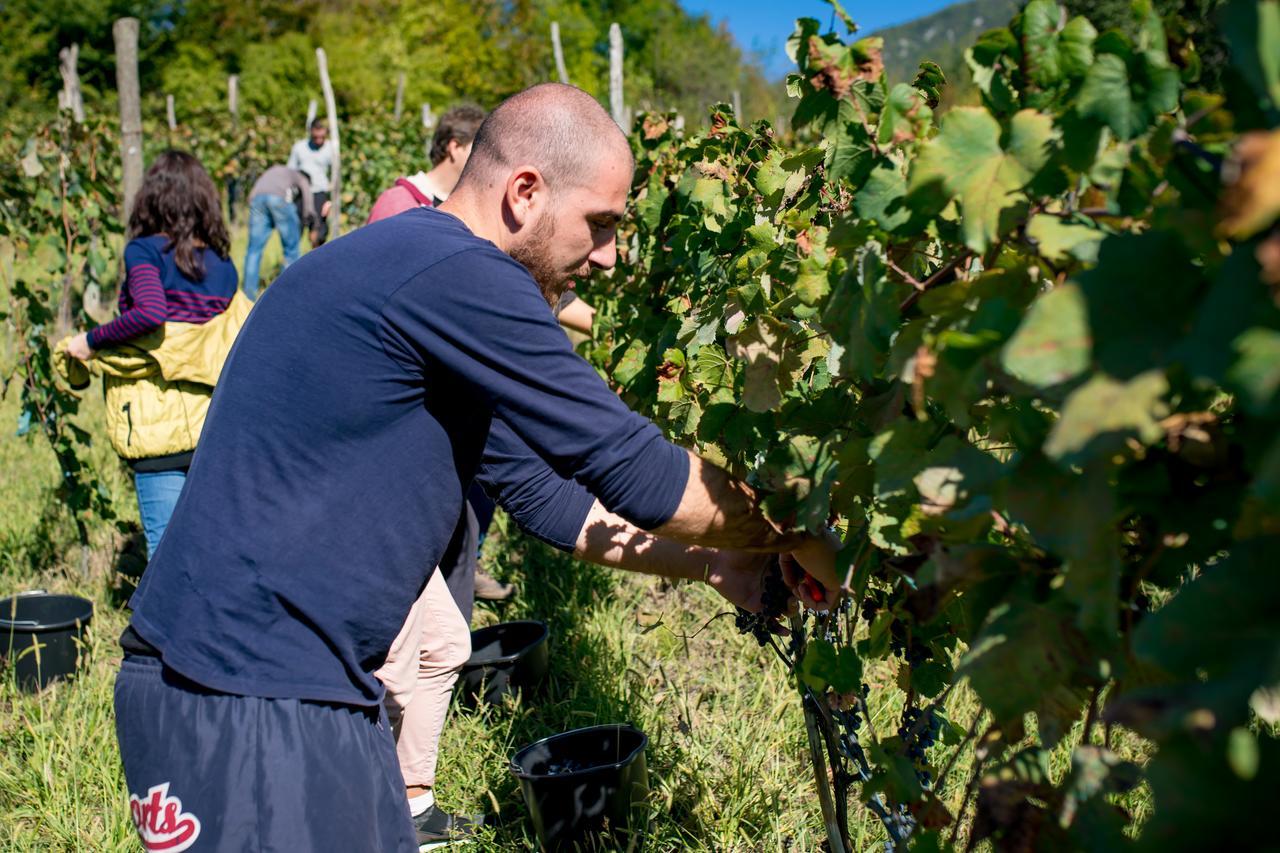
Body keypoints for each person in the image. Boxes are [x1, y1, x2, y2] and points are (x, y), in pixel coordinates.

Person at [113, 84, 840, 852]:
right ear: (525, 192)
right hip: (236, 691)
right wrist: (799, 531)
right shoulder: (458, 271)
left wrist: (714, 564)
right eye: (601, 225)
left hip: (303, 684)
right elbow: (632, 468)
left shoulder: (421, 278)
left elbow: (546, 499)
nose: (610, 257)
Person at [61, 151, 244, 559]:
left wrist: (89, 342)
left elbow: (149, 312)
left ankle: (167, 623)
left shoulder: (143, 252)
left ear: (153, 197)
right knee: (209, 547)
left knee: (166, 554)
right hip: (210, 425)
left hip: (155, 425)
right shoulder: (223, 265)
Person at [241, 165, 315, 300]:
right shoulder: (300, 176)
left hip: (256, 200)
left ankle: (249, 294)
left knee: (254, 250)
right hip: (278, 199)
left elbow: (252, 194)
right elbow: (306, 191)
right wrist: (307, 214)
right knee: (291, 250)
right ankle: (288, 294)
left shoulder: (277, 170)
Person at [288, 118, 336, 245]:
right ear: (310, 132)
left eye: (322, 137)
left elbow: (336, 174)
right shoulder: (299, 147)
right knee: (296, 229)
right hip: (301, 194)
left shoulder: (331, 148)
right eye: (316, 137)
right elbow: (290, 170)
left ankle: (316, 261)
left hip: (319, 193)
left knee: (319, 232)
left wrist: (330, 199)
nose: (319, 140)